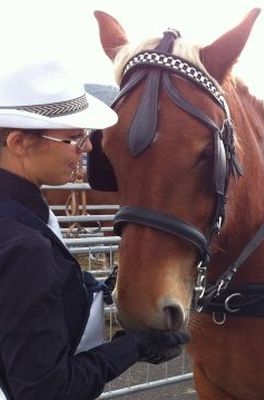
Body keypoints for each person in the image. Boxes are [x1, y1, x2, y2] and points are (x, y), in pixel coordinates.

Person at [0, 57, 188, 400]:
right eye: (74, 138)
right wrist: (133, 347)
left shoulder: (24, 212)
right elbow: (46, 391)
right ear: (19, 143)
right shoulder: (24, 246)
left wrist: (99, 285)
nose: (86, 148)